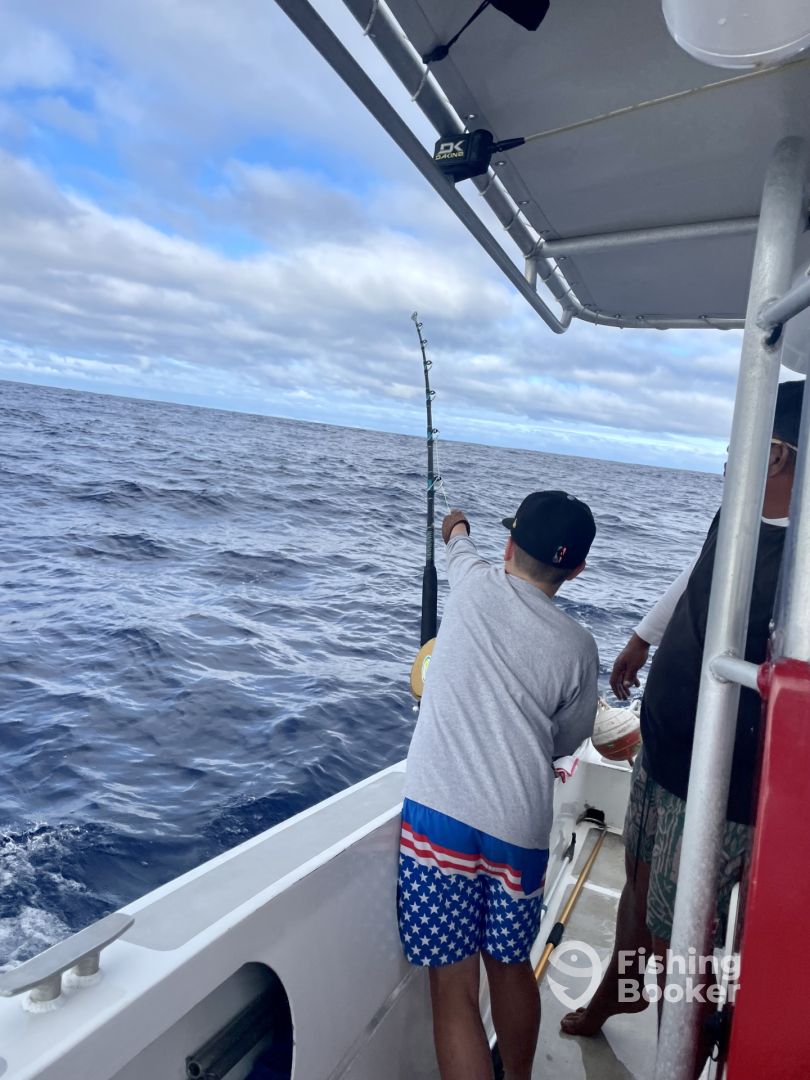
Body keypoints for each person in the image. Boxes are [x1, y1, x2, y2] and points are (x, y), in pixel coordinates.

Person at [560, 378, 805, 1065]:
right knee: (638, 886)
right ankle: (619, 993)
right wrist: (643, 636)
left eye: (743, 442)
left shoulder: (804, 563)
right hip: (665, 753)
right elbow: (702, 574)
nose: (730, 457)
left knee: (685, 947)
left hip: (719, 790)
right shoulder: (739, 513)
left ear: (776, 454)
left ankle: (682, 1054)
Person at [398, 490, 599, 1080]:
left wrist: (457, 524)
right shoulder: (579, 647)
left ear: (509, 545)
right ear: (577, 569)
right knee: (510, 968)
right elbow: (569, 738)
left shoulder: (472, 583)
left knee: (453, 987)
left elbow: (458, 541)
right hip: (519, 830)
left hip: (439, 822)